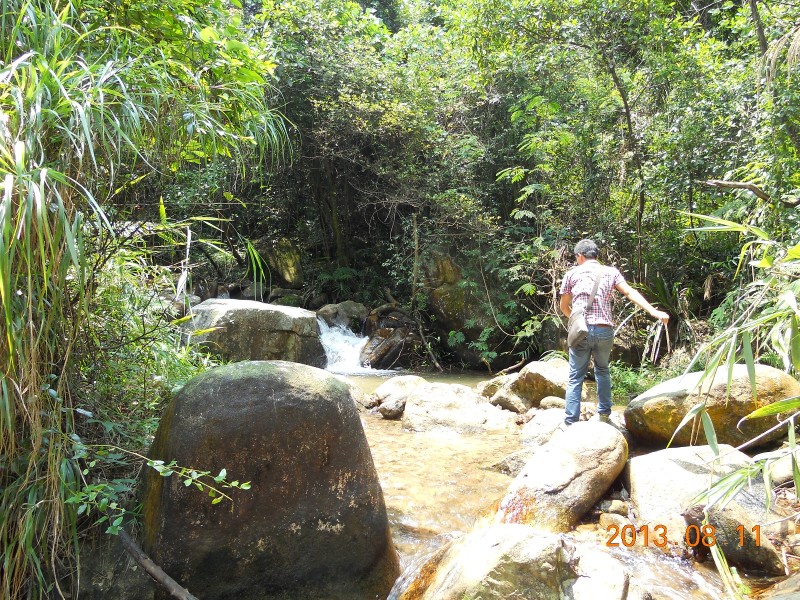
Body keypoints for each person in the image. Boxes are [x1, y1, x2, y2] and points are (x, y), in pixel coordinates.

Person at [559, 239, 669, 426]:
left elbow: (563, 306)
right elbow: (629, 292)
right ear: (595, 255)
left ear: (579, 256)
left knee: (575, 376)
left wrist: (575, 322)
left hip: (580, 332)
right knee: (602, 370)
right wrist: (653, 311)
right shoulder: (610, 272)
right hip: (604, 330)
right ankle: (603, 415)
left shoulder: (571, 274)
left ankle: (570, 422)